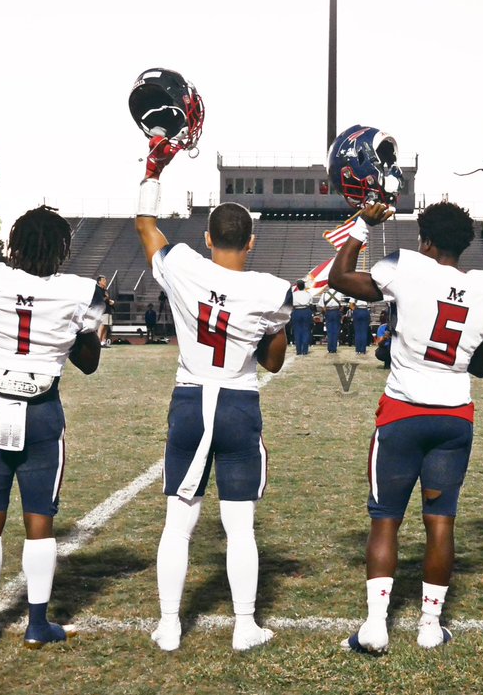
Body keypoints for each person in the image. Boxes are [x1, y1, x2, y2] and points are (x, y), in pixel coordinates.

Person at [0, 175, 104, 649]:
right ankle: (35, 625)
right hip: (42, 409)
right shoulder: (80, 291)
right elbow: (88, 363)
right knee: (39, 519)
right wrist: (87, 327)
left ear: (14, 244)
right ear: (63, 250)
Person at [329, 201, 483, 652]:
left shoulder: (408, 267)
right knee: (441, 523)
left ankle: (375, 625)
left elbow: (340, 277)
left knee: (385, 521)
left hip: (404, 411)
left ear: (425, 240)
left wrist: (364, 226)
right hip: (453, 415)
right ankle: (430, 625)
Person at [135, 160, 291, 652]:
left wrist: (153, 170)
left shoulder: (182, 264)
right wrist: (274, 322)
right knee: (239, 524)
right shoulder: (267, 288)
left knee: (178, 524)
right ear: (250, 243)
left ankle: (168, 625)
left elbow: (145, 224)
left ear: (206, 237)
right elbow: (272, 362)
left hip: (189, 397)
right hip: (238, 402)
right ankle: (244, 626)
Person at [291, 279, 314, 355]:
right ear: (304, 286)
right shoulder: (308, 294)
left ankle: (298, 350)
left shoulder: (293, 294)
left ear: (297, 286)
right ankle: (305, 350)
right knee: (306, 330)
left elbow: (290, 304)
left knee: (297, 331)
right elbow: (311, 303)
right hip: (306, 311)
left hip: (296, 311)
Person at [321, 287, 343, 353]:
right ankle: (334, 348)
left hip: (328, 312)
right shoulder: (339, 294)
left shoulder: (324, 294)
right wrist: (339, 312)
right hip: (336, 312)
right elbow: (342, 306)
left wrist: (325, 313)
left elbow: (322, 307)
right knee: (336, 331)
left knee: (329, 331)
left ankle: (330, 348)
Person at [96, 275, 116, 347]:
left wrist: (110, 301)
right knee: (102, 326)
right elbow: (99, 300)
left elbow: (106, 299)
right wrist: (107, 298)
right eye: (103, 280)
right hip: (102, 310)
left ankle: (103, 341)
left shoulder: (105, 290)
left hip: (108, 309)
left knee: (106, 326)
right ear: (99, 282)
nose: (105, 282)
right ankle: (98, 341)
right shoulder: (97, 290)